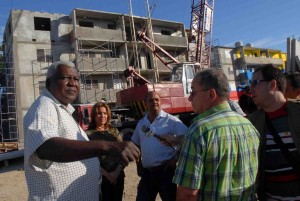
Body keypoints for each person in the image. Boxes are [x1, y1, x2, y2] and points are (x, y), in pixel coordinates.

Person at [23, 61, 139, 200]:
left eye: (76, 79)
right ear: (49, 83)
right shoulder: (44, 105)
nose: (72, 83)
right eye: (65, 77)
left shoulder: (64, 110)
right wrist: (107, 146)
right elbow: (45, 147)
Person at [173, 68, 260, 201]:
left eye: (193, 92)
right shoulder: (250, 127)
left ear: (211, 94)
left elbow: (188, 193)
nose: (190, 97)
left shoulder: (199, 131)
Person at [248, 64, 300, 200]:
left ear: (272, 84)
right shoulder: (251, 122)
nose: (250, 88)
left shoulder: (297, 114)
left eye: (255, 83)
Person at [131, 91, 188, 201]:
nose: (154, 102)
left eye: (157, 99)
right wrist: (138, 164)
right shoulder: (141, 123)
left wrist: (175, 158)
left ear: (160, 101)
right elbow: (136, 144)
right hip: (147, 174)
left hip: (165, 173)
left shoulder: (171, 120)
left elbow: (188, 139)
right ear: (145, 103)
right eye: (151, 100)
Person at [87, 102, 125, 201]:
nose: (102, 116)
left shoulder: (114, 132)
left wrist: (116, 173)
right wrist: (107, 175)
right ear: (94, 115)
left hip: (118, 176)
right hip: (99, 178)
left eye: (104, 113)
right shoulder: (88, 134)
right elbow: (88, 159)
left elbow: (123, 154)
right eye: (99, 113)